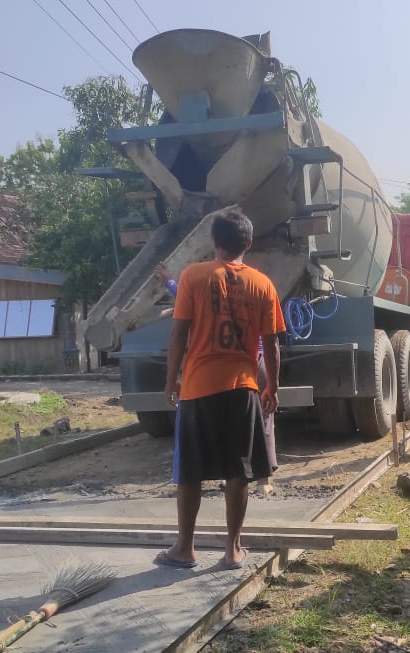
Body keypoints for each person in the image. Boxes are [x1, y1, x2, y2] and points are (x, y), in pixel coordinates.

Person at [157, 208, 286, 569]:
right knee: (239, 470)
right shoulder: (263, 284)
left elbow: (178, 332)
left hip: (197, 388)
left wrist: (171, 379)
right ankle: (232, 550)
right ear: (247, 243)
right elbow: (272, 342)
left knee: (190, 472)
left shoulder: (193, 277)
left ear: (214, 242)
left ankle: (185, 548)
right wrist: (272, 386)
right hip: (242, 389)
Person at [157, 262, 277, 496]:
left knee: (227, 424)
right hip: (252, 362)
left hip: (221, 366)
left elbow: (181, 316)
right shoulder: (258, 285)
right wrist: (273, 385)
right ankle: (262, 479)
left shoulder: (202, 282)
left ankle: (231, 475)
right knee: (262, 419)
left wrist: (169, 281)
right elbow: (271, 339)